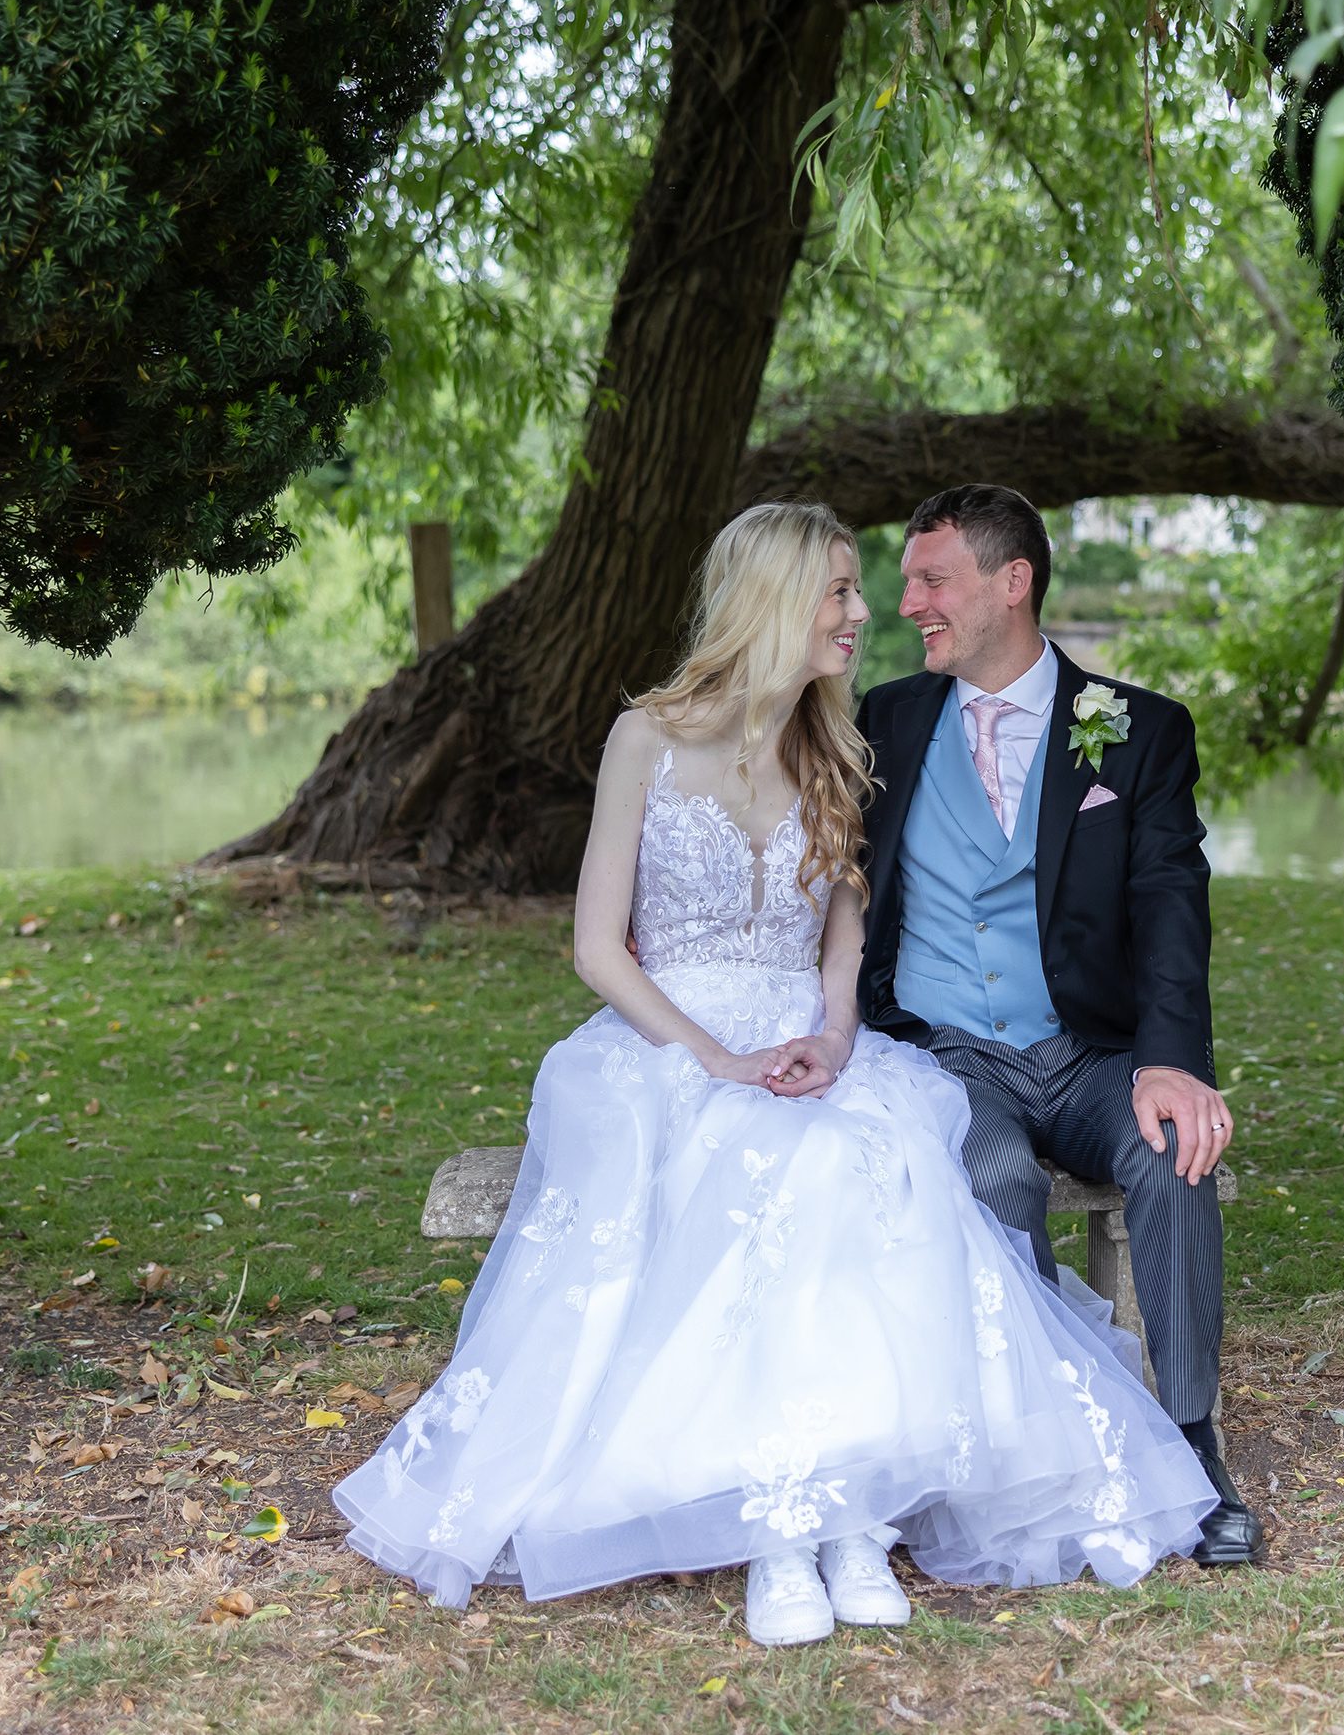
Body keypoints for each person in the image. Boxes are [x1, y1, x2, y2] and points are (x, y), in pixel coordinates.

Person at [333, 501, 1217, 1648]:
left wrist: (837, 1038)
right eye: (844, 592)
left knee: (870, 1160)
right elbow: (598, 946)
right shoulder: (645, 737)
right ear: (775, 600)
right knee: (760, 1164)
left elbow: (844, 934)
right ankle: (777, 1529)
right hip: (667, 1043)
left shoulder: (838, 742)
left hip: (810, 1035)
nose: (870, 614)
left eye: (876, 588)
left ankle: (846, 1508)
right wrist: (710, 1057)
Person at [831, 482, 1263, 1567]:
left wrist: (1170, 1061)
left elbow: (1170, 899)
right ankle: (1034, 1443)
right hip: (942, 1050)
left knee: (1174, 1153)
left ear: (1010, 582)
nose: (907, 599)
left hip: (1090, 1053)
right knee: (995, 1178)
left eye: (932, 578)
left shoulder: (1139, 731)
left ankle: (1191, 1437)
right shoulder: (880, 717)